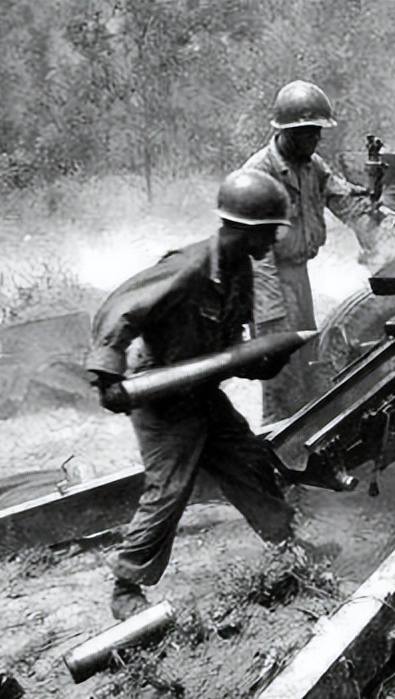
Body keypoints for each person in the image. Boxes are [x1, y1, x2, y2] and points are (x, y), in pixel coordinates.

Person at [86, 168, 313, 620]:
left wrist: (263, 361)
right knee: (169, 488)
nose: (273, 240)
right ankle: (126, 587)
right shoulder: (188, 268)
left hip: (201, 391)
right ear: (247, 228)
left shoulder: (240, 271)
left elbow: (229, 348)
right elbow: (119, 308)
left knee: (247, 460)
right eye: (269, 230)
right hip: (162, 397)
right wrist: (106, 374)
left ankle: (285, 544)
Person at [244, 80, 377, 424]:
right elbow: (254, 254)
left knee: (308, 364)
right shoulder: (259, 175)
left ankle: (306, 442)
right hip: (269, 282)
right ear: (288, 131)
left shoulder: (311, 164)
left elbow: (342, 199)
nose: (317, 138)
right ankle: (275, 449)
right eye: (310, 132)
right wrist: (272, 318)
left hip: (297, 277)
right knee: (281, 377)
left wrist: (379, 234)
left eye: (319, 131)